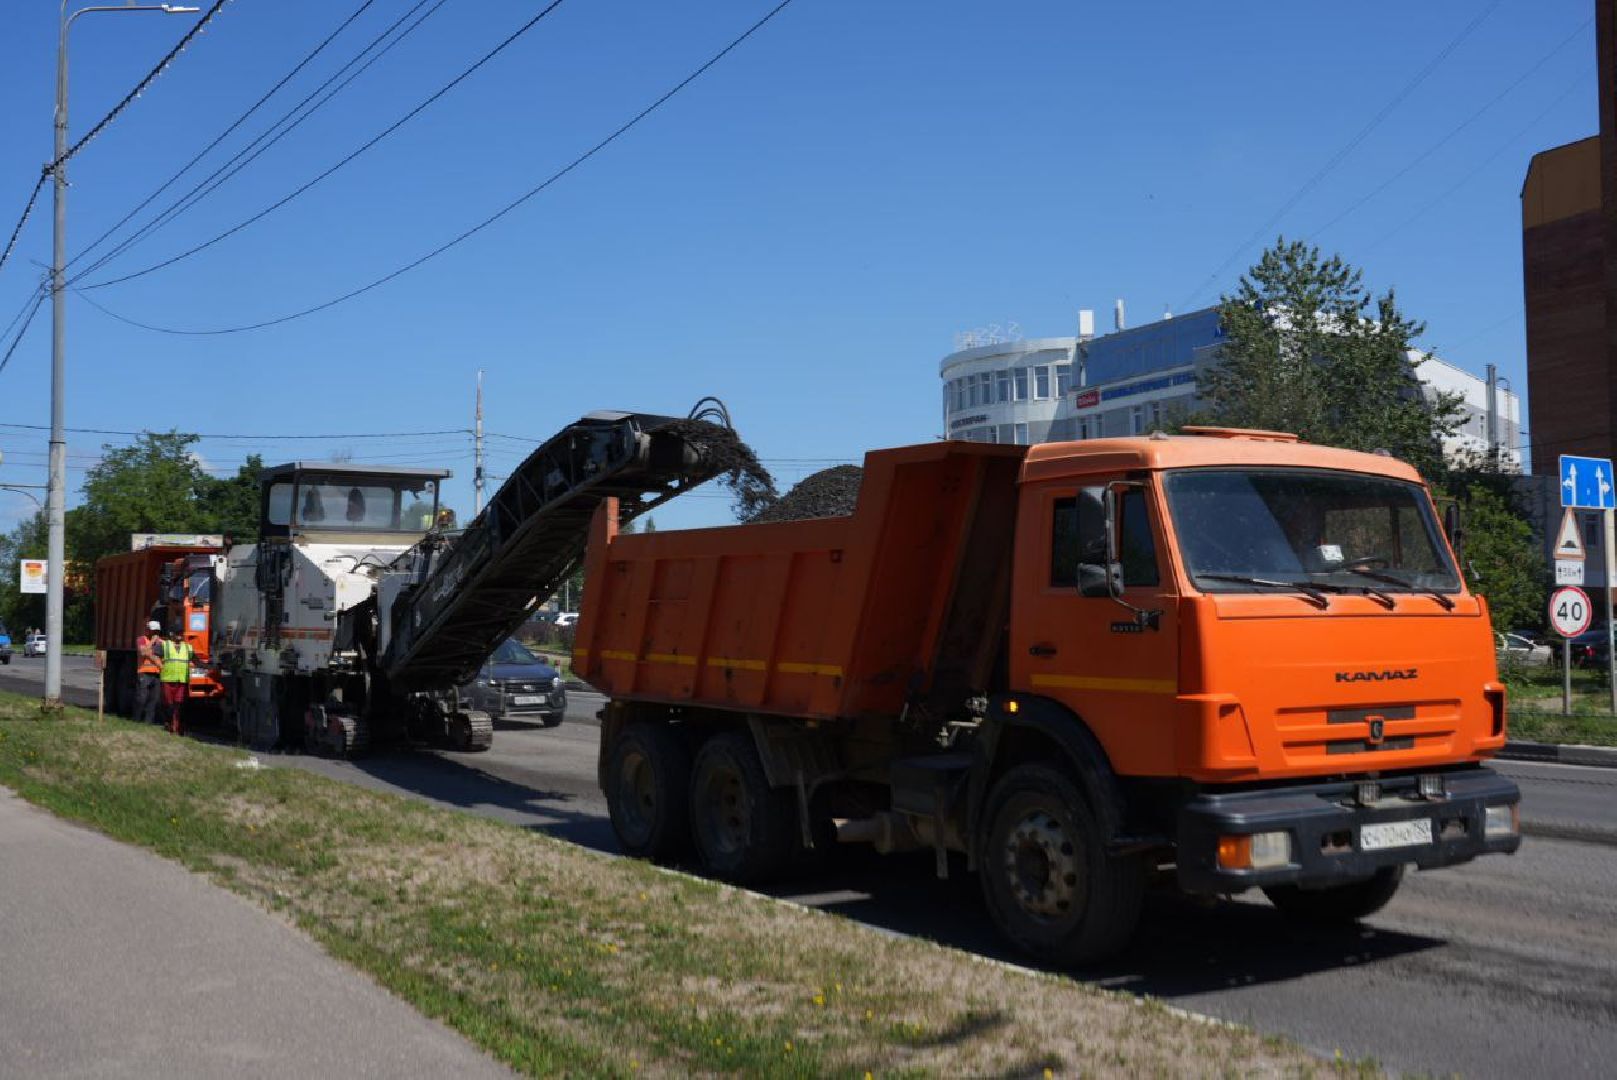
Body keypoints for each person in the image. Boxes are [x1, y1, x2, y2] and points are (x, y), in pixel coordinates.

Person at [158, 626, 195, 736]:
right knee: (168, 704)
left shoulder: (188, 647)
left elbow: (195, 661)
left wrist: (210, 668)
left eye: (181, 633)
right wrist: (159, 665)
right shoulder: (165, 645)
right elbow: (153, 654)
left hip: (181, 680)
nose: (179, 635)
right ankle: (169, 724)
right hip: (167, 679)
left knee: (179, 705)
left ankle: (176, 728)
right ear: (172, 634)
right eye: (177, 633)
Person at [134, 620, 163, 724]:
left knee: (154, 699)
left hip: (156, 673)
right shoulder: (141, 639)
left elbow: (161, 655)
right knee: (142, 698)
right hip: (144, 672)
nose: (155, 633)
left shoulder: (161, 642)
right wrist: (152, 643)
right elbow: (143, 652)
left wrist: (151, 654)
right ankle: (136, 719)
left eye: (157, 631)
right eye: (153, 631)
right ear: (148, 630)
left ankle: (148, 722)